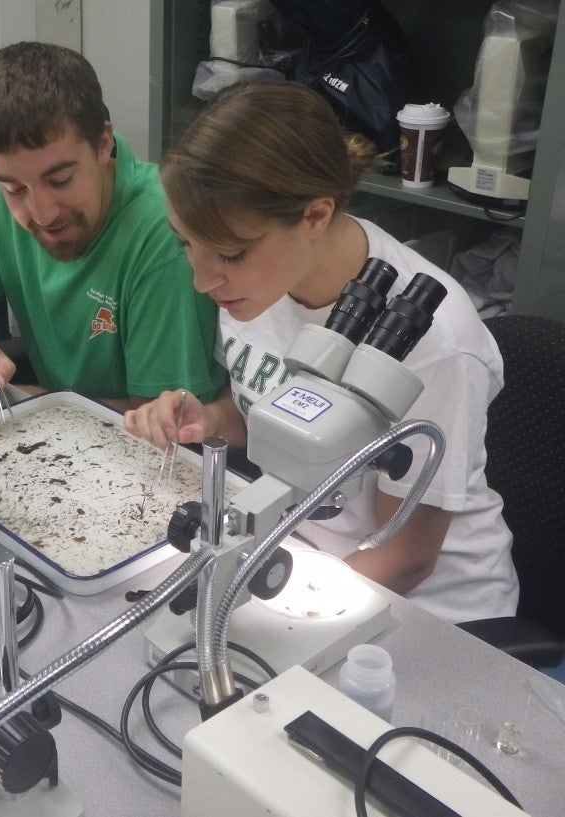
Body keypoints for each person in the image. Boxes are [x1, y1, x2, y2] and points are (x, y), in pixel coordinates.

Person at [123, 80, 518, 623]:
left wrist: (277, 614)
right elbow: (267, 410)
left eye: (231, 254)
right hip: (303, 554)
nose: (202, 280)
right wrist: (209, 418)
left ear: (314, 216)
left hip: (434, 611)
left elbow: (407, 557)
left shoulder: (435, 341)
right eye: (185, 243)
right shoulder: (253, 283)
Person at [0, 42, 226, 413]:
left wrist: (43, 406)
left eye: (60, 180)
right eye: (15, 189)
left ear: (103, 143)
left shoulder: (165, 232)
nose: (42, 213)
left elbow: (165, 425)